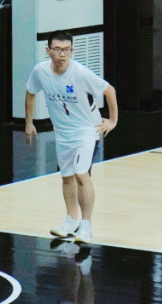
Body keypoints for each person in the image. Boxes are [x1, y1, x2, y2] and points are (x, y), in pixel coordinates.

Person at [25, 31, 117, 245]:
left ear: (72, 51)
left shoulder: (80, 73)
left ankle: (86, 226)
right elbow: (30, 92)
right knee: (66, 176)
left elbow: (109, 90)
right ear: (48, 50)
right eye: (57, 49)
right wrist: (29, 123)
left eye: (67, 50)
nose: (62, 54)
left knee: (81, 174)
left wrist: (113, 120)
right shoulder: (40, 71)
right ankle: (71, 221)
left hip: (87, 130)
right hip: (62, 132)